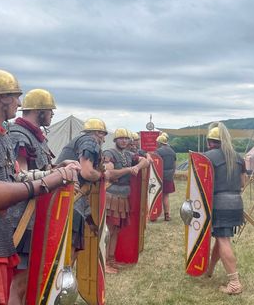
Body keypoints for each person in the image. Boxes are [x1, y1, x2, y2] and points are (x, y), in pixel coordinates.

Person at [0, 69, 80, 305]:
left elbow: (15, 176)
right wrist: (44, 184)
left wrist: (54, 173)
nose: (19, 103)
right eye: (15, 96)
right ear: (2, 97)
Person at [8, 89, 57, 304]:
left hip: (34, 215)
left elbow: (42, 169)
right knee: (17, 281)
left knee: (28, 279)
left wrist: (59, 168)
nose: (52, 115)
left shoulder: (36, 136)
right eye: (49, 111)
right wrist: (57, 175)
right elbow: (22, 177)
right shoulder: (19, 135)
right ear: (39, 111)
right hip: (20, 217)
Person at [56, 118, 111, 265]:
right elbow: (86, 172)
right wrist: (102, 176)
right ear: (97, 133)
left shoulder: (79, 141)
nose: (103, 139)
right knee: (68, 253)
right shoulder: (89, 141)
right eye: (102, 134)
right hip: (69, 199)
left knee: (65, 252)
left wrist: (91, 221)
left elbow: (83, 186)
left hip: (64, 199)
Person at [204, 122, 246, 295]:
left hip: (219, 204)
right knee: (221, 238)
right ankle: (209, 270)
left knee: (223, 240)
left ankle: (234, 283)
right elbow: (243, 183)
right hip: (236, 202)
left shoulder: (207, 157)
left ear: (210, 142)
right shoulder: (238, 157)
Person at [103, 128, 149, 274]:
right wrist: (129, 170)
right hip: (111, 196)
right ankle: (103, 262)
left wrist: (136, 166)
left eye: (126, 138)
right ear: (115, 140)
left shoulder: (128, 154)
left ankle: (111, 259)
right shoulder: (109, 153)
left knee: (116, 230)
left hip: (123, 197)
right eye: (121, 138)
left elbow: (147, 161)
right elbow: (109, 173)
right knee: (108, 230)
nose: (124, 140)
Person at [155, 133, 176, 221]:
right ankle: (167, 215)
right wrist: (172, 174)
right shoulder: (172, 151)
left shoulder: (158, 152)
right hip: (169, 176)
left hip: (159, 176)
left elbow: (156, 164)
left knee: (156, 195)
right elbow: (175, 165)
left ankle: (155, 214)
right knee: (166, 196)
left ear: (160, 143)